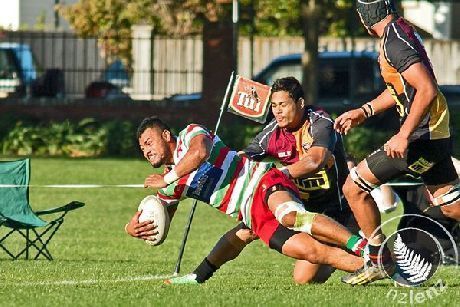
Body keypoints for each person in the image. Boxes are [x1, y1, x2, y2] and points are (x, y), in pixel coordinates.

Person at [165, 76, 363, 285]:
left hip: (342, 207)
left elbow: (315, 160)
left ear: (300, 103)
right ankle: (199, 276)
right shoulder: (273, 133)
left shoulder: (320, 122)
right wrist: (208, 169)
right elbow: (244, 158)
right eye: (274, 106)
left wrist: (279, 175)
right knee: (298, 274)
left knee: (374, 253)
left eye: (283, 105)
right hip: (306, 207)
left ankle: (377, 257)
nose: (277, 111)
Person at [126, 116, 367, 279]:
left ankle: (365, 247)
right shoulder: (170, 185)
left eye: (149, 143)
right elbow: (158, 218)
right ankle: (375, 265)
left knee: (290, 216)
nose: (147, 151)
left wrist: (167, 179)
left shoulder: (190, 134)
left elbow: (201, 152)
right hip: (251, 214)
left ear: (166, 135)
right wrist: (132, 229)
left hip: (262, 181)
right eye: (143, 149)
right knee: (312, 253)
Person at [334, 0, 460, 285]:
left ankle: (380, 261)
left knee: (354, 187)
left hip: (420, 137)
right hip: (435, 134)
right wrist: (364, 111)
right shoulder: (400, 30)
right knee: (450, 205)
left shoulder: (394, 41)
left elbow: (426, 88)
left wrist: (403, 135)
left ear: (364, 16)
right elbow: (402, 88)